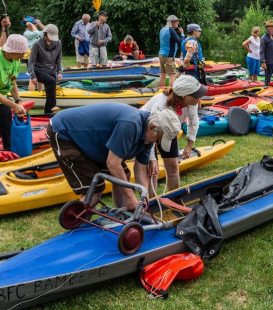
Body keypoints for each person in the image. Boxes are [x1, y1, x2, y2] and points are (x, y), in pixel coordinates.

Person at [47, 105, 182, 208]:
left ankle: (121, 213)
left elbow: (140, 169)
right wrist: (130, 197)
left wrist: (144, 200)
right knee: (95, 191)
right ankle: (76, 232)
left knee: (125, 176)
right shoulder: (131, 124)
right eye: (158, 139)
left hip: (92, 140)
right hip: (64, 132)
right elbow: (112, 163)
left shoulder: (148, 137)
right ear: (152, 127)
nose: (157, 143)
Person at [142, 76, 208, 191]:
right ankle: (152, 205)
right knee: (152, 171)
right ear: (184, 96)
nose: (199, 98)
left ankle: (174, 199)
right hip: (148, 130)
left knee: (173, 167)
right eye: (197, 95)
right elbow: (150, 130)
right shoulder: (161, 105)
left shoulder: (192, 103)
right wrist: (152, 159)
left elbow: (193, 122)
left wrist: (189, 146)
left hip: (168, 131)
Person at [28, 24, 63, 113]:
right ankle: (53, 105)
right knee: (51, 81)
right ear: (45, 34)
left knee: (50, 88)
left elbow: (59, 58)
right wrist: (32, 76)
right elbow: (31, 61)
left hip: (50, 70)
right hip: (38, 69)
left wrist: (59, 72)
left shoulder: (58, 43)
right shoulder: (37, 44)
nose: (51, 39)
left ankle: (47, 112)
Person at [158, 15, 184, 88]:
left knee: (163, 73)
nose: (178, 23)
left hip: (161, 54)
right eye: (177, 21)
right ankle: (171, 92)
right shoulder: (171, 30)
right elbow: (180, 42)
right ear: (172, 22)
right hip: (168, 56)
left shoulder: (162, 29)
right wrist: (182, 33)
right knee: (172, 74)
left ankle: (160, 89)